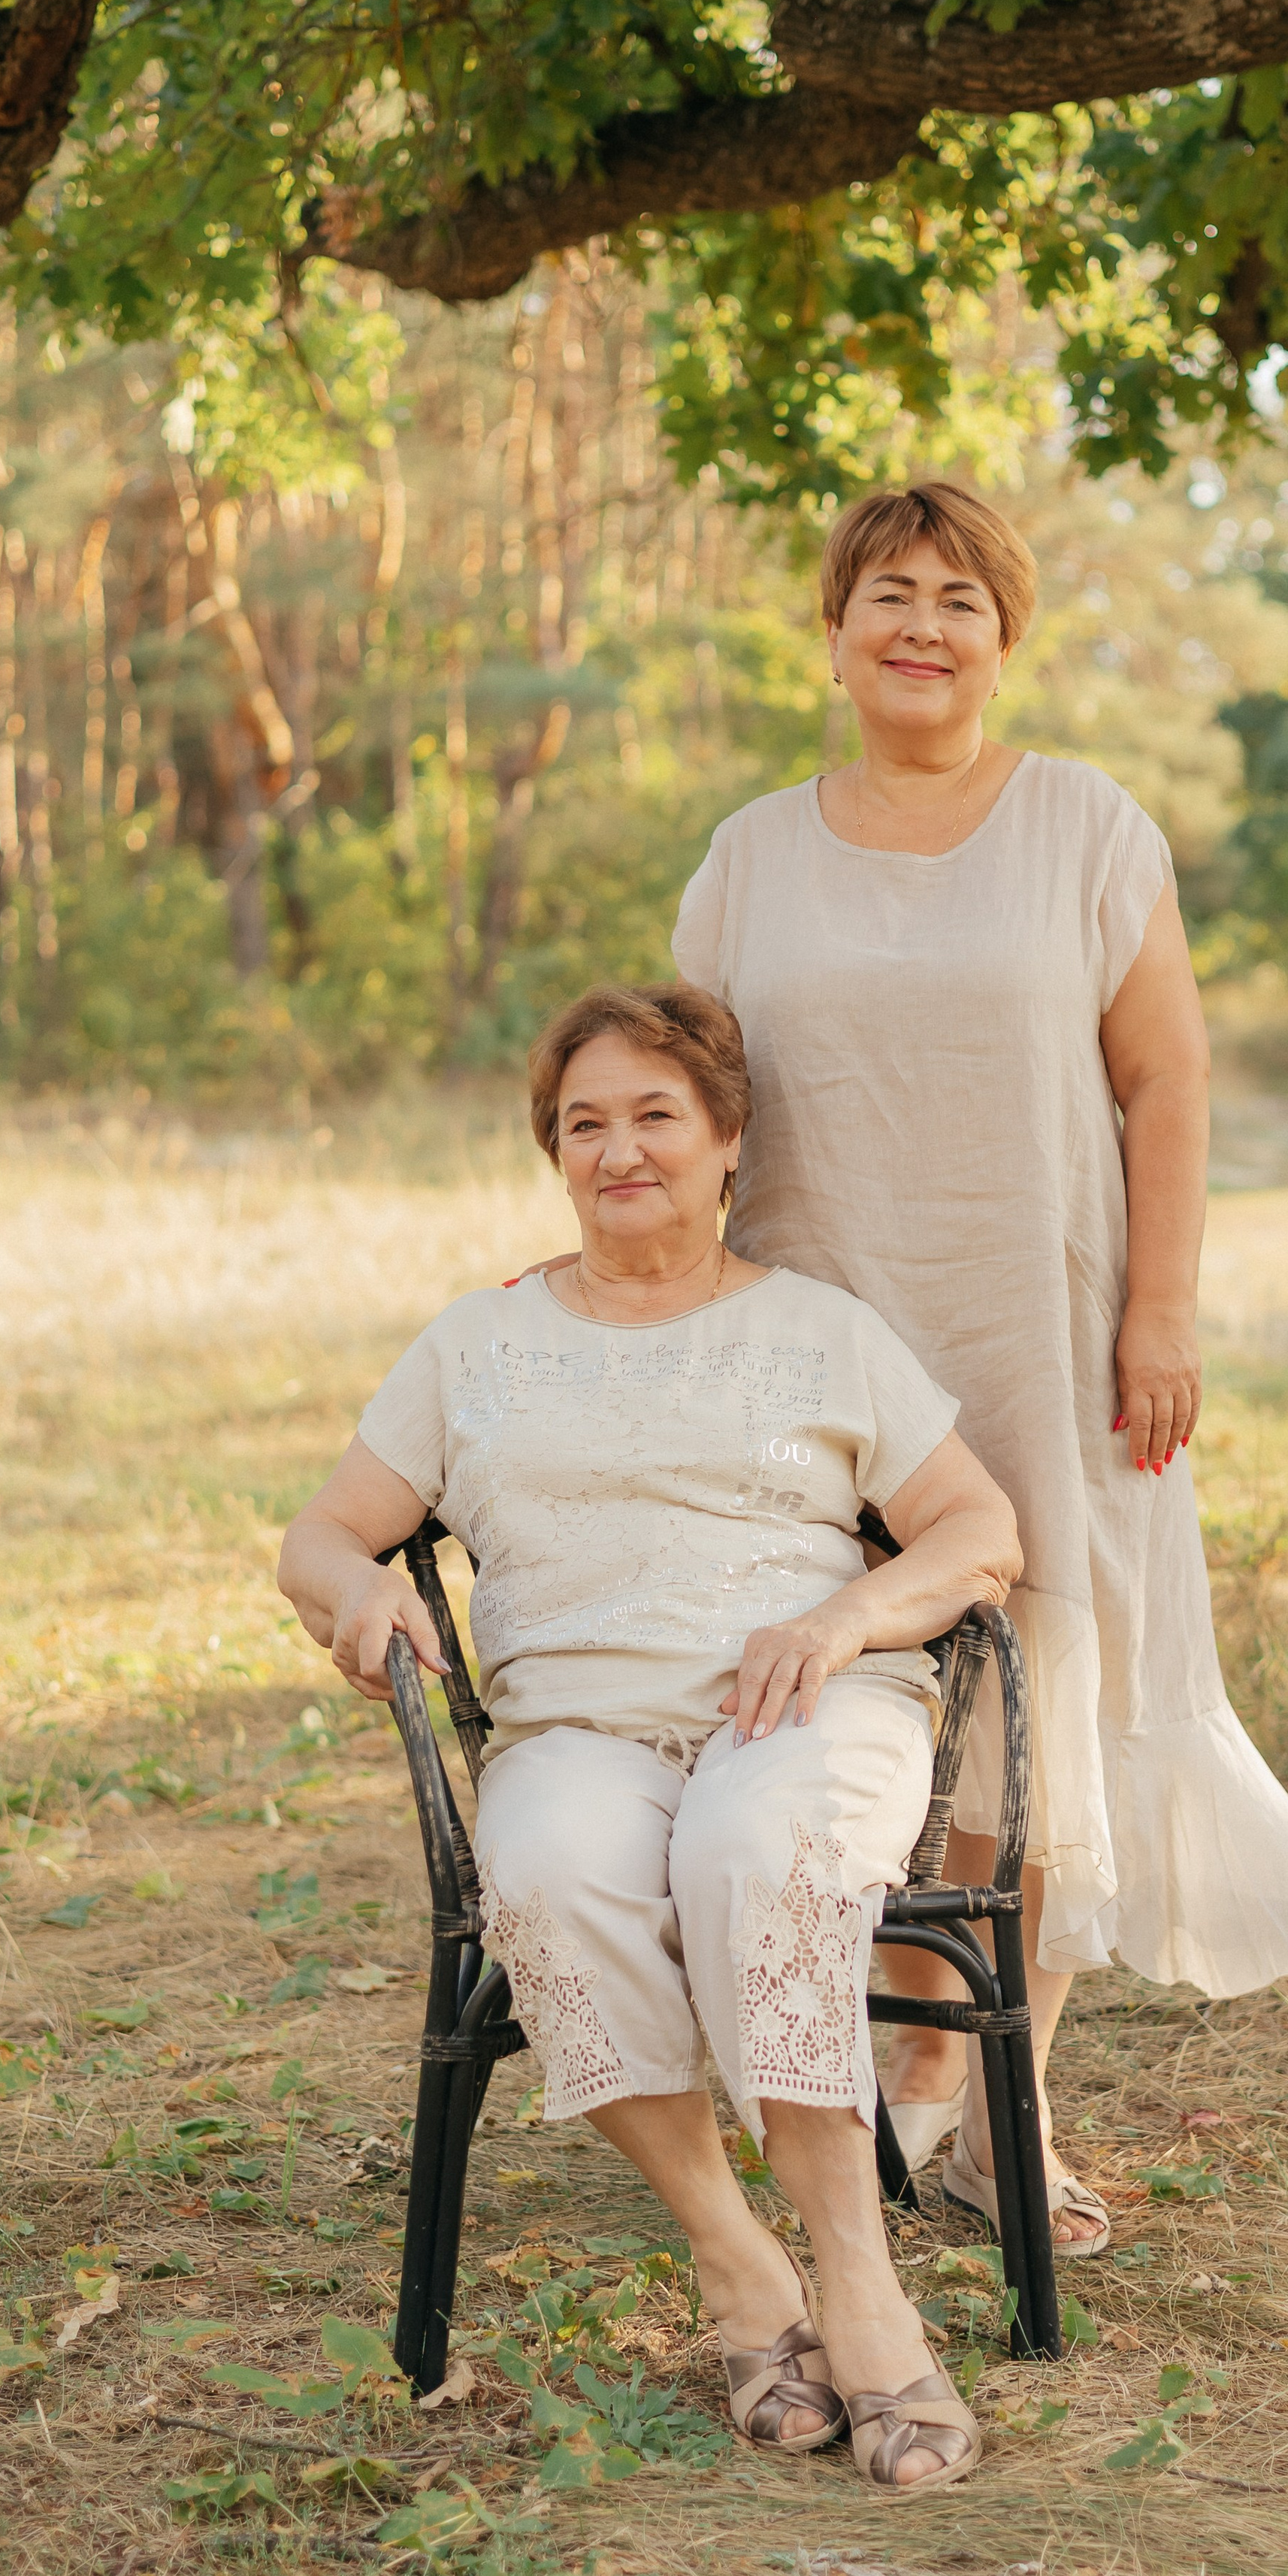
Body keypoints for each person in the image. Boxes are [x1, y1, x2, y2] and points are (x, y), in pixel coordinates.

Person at [671, 480, 1288, 2256]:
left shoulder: (1084, 827)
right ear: (832, 633)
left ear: (1003, 635)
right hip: (815, 1356)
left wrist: (1163, 1308)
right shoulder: (751, 853)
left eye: (957, 598)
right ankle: (901, 2092)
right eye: (886, 592)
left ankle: (1005, 2112)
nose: (919, 623)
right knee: (858, 1716)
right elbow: (690, 1102)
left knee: (1042, 1716)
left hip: (1046, 1331)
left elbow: (1165, 1084)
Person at [279, 982, 1019, 2493]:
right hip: (576, 1728)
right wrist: (354, 1594)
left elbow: (977, 1528)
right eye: (583, 1124)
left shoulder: (818, 1329)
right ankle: (738, 2267)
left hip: (799, 1708)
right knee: (547, 1869)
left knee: (760, 1844)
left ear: (727, 1137)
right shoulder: (473, 1345)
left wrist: (844, 1619)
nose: (620, 1151)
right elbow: (322, 1535)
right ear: (553, 1154)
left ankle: (858, 2288)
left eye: (653, 1116)